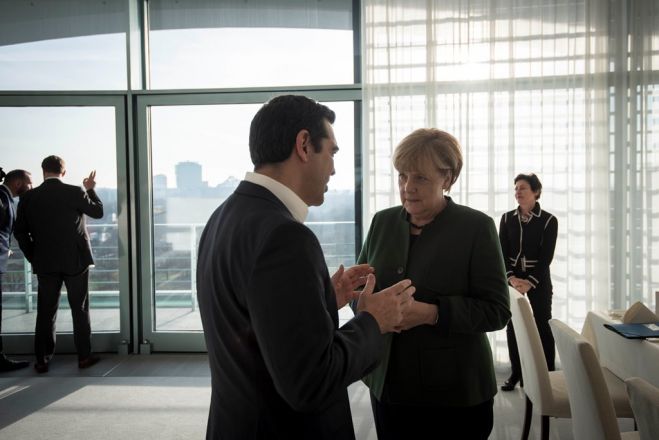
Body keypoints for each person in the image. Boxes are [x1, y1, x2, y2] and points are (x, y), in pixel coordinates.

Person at [196, 94, 416, 440]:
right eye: (331, 152)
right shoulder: (285, 236)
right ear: (303, 145)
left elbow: (258, 322)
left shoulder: (223, 217)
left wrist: (322, 299)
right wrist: (374, 321)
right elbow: (311, 382)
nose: (332, 168)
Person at [356, 128, 511, 440]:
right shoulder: (382, 222)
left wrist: (431, 313)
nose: (408, 188)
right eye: (402, 176)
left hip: (456, 393)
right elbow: (360, 289)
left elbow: (497, 311)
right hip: (388, 384)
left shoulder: (477, 228)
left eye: (420, 178)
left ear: (448, 178)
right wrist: (364, 304)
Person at [14, 156, 103, 373]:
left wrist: (33, 256)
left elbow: (20, 232)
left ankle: (42, 360)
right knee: (79, 309)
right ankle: (83, 357)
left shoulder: (29, 197)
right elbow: (98, 212)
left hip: (45, 261)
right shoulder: (75, 192)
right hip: (76, 260)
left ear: (43, 171)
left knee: (46, 310)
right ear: (63, 172)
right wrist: (90, 189)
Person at [499, 173, 558, 391]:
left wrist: (530, 282)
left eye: (523, 188)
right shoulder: (506, 219)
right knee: (513, 326)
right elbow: (501, 251)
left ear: (535, 191)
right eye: (516, 188)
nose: (518, 192)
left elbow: (546, 257)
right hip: (513, 280)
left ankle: (549, 376)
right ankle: (516, 373)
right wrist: (512, 278)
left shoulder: (549, 220)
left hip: (539, 280)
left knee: (544, 324)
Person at [0, 168, 33, 372]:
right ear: (19, 183)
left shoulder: (6, 198)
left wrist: (7, 248)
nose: (31, 187)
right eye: (29, 183)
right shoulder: (2, 197)